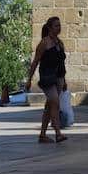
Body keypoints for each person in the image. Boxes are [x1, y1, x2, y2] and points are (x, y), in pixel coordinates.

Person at [26, 16, 67, 144]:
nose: (59, 28)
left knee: (50, 106)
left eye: (59, 25)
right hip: (47, 78)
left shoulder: (60, 43)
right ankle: (58, 133)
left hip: (59, 78)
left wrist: (64, 80)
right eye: (56, 25)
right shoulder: (44, 43)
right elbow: (35, 62)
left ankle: (42, 135)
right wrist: (29, 80)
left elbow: (61, 64)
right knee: (55, 101)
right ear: (49, 28)